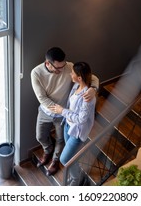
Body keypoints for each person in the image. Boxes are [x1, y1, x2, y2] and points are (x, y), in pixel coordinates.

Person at [31, 47, 99, 176]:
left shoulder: (68, 67)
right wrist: (59, 110)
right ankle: (47, 150)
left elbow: (91, 77)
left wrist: (93, 88)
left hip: (64, 114)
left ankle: (55, 160)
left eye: (63, 67)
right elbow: (42, 98)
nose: (62, 70)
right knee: (40, 136)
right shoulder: (36, 73)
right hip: (47, 111)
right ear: (47, 63)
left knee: (60, 139)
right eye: (58, 68)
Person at [49, 62, 96, 185]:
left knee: (65, 159)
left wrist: (62, 111)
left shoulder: (87, 97)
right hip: (68, 126)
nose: (70, 74)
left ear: (79, 78)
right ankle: (77, 174)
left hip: (77, 131)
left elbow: (81, 120)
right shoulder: (76, 86)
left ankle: (77, 179)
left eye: (73, 73)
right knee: (71, 156)